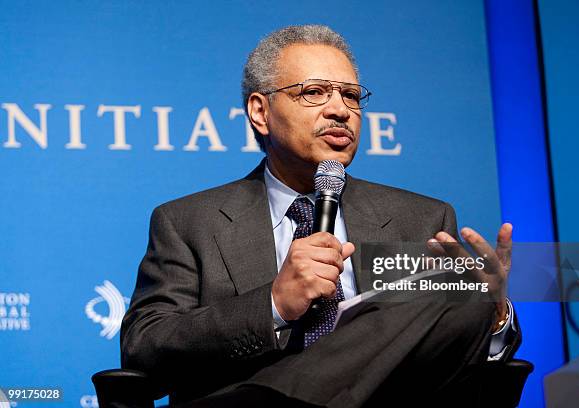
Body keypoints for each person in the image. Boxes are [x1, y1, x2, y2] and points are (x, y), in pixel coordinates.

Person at [121, 25, 520, 407]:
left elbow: (458, 372)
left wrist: (493, 314)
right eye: (314, 92)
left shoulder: (422, 219)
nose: (341, 111)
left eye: (350, 96)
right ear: (260, 112)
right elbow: (144, 350)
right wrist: (274, 304)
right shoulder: (191, 222)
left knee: (466, 301)